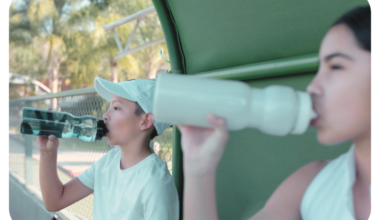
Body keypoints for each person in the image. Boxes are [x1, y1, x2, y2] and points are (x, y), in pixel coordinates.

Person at [178, 6, 370, 220]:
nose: (312, 87)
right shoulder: (310, 184)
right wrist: (199, 169)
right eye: (318, 70)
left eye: (335, 66)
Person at [37, 77, 179, 220]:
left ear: (146, 121)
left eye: (116, 108)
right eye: (109, 107)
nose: (105, 115)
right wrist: (47, 153)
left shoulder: (156, 182)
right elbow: (55, 201)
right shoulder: (108, 162)